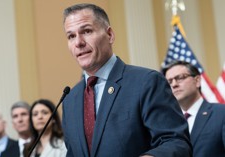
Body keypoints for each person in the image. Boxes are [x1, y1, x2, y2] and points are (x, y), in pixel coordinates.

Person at [62, 3, 192, 157]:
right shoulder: (70, 99)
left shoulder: (146, 82)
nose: (78, 42)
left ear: (110, 35)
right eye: (71, 36)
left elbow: (176, 143)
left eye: (87, 31)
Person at [163, 60, 225, 157]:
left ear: (197, 81)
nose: (174, 85)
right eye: (169, 82)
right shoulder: (167, 122)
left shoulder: (221, 113)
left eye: (179, 78)